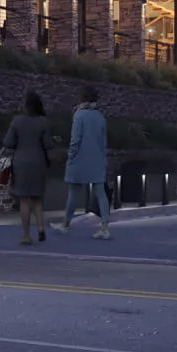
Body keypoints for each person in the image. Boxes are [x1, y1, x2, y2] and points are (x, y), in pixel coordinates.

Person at [57, 85, 111, 240]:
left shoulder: (79, 116)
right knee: (100, 194)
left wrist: (71, 156)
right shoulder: (100, 117)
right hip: (97, 158)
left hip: (79, 158)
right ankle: (105, 227)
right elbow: (103, 142)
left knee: (73, 192)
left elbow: (75, 140)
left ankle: (66, 224)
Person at [2, 90, 53, 245]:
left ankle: (26, 235)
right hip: (38, 162)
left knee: (24, 200)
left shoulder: (17, 121)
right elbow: (48, 144)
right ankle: (41, 227)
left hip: (21, 163)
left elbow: (8, 142)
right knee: (37, 198)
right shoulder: (43, 122)